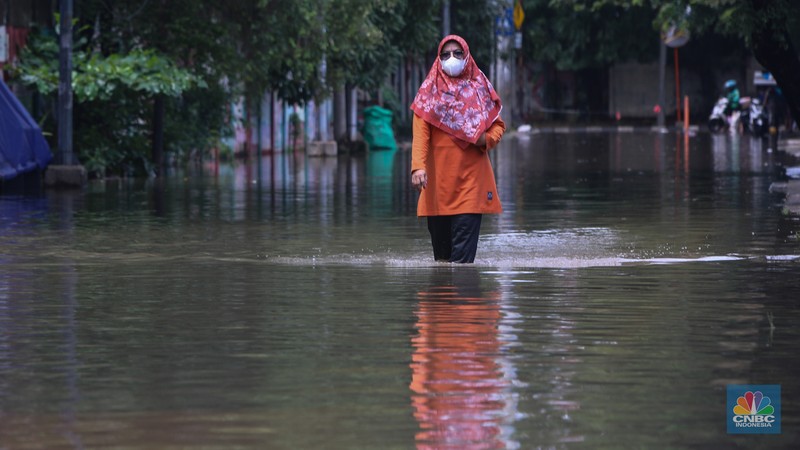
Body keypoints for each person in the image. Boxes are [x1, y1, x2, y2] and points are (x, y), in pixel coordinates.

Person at [410, 35, 506, 264]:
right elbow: (421, 134)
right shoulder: (428, 93)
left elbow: (499, 126)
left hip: (472, 183)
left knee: (462, 264)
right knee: (442, 260)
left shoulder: (480, 86)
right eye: (445, 54)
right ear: (438, 58)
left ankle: (464, 300)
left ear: (467, 56)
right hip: (437, 185)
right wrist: (417, 168)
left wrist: (484, 139)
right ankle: (444, 300)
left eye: (457, 53)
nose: (451, 58)